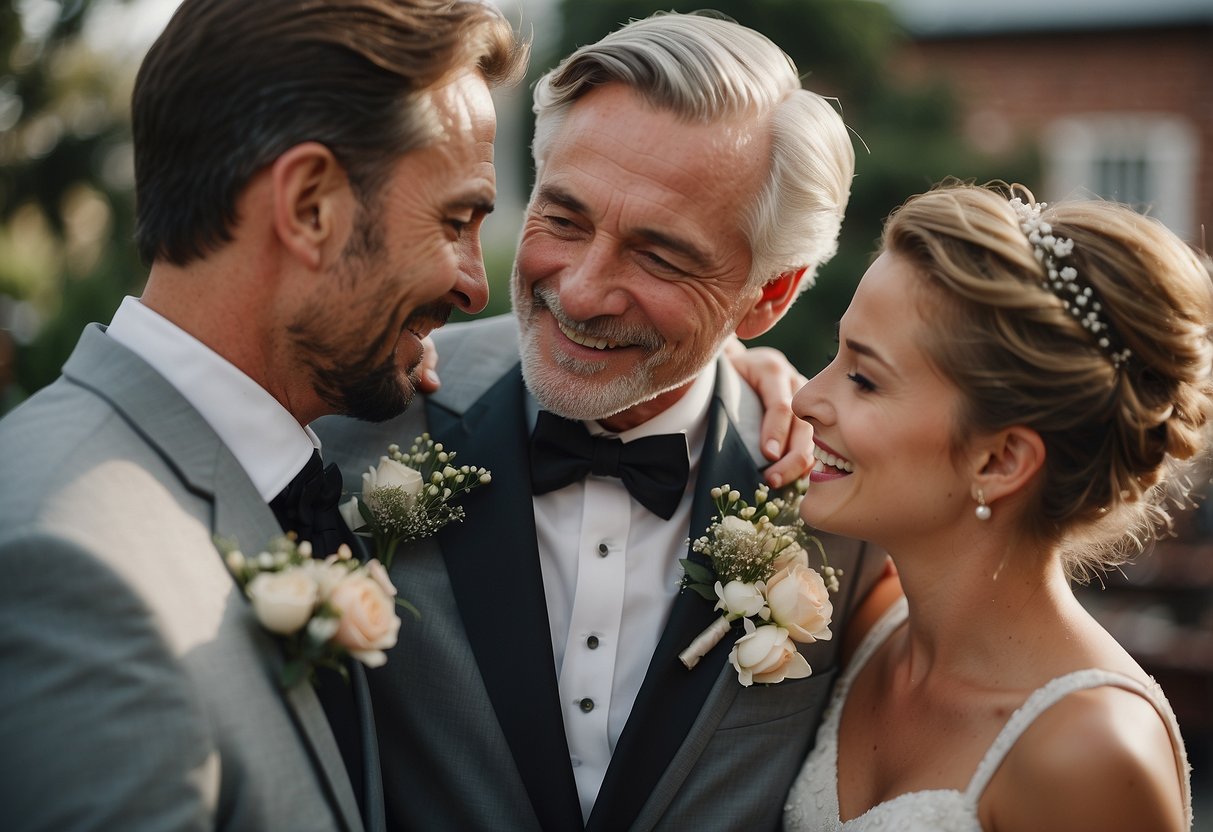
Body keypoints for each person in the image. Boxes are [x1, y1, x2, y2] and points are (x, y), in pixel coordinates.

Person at [316, 12, 892, 831]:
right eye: (564, 219)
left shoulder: (849, 510)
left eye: (660, 256)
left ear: (766, 295)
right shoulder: (357, 415)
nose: (580, 292)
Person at [0, 1, 527, 829]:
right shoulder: (66, 562)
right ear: (310, 206)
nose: (474, 284)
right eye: (455, 221)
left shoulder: (288, 469)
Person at [784, 181, 1212, 831]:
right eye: (835, 355)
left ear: (999, 461)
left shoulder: (1091, 752)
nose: (804, 400)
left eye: (863, 378)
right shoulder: (859, 621)